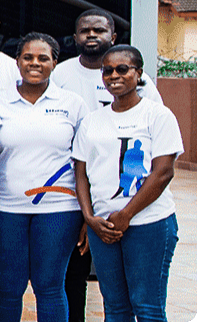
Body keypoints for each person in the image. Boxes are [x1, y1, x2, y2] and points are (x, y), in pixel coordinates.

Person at [52, 9, 162, 322]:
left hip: (121, 195)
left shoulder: (143, 88)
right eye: (84, 30)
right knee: (73, 272)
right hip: (70, 188)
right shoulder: (61, 74)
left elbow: (158, 146)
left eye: (99, 30)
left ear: (112, 37)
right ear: (74, 39)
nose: (91, 35)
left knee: (132, 290)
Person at [74, 45, 183, 322]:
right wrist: (89, 218)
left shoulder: (157, 115)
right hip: (104, 227)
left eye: (122, 69)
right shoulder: (92, 121)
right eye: (107, 70)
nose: (114, 76)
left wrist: (127, 214)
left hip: (149, 224)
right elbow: (81, 173)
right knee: (115, 308)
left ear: (138, 73)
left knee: (147, 306)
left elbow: (162, 173)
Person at [0, 32, 88, 322]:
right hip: (6, 208)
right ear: (17, 62)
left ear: (55, 63)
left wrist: (86, 214)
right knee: (7, 288)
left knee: (50, 286)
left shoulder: (73, 103)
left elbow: (84, 165)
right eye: (28, 57)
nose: (35, 63)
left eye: (43, 58)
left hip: (60, 210)